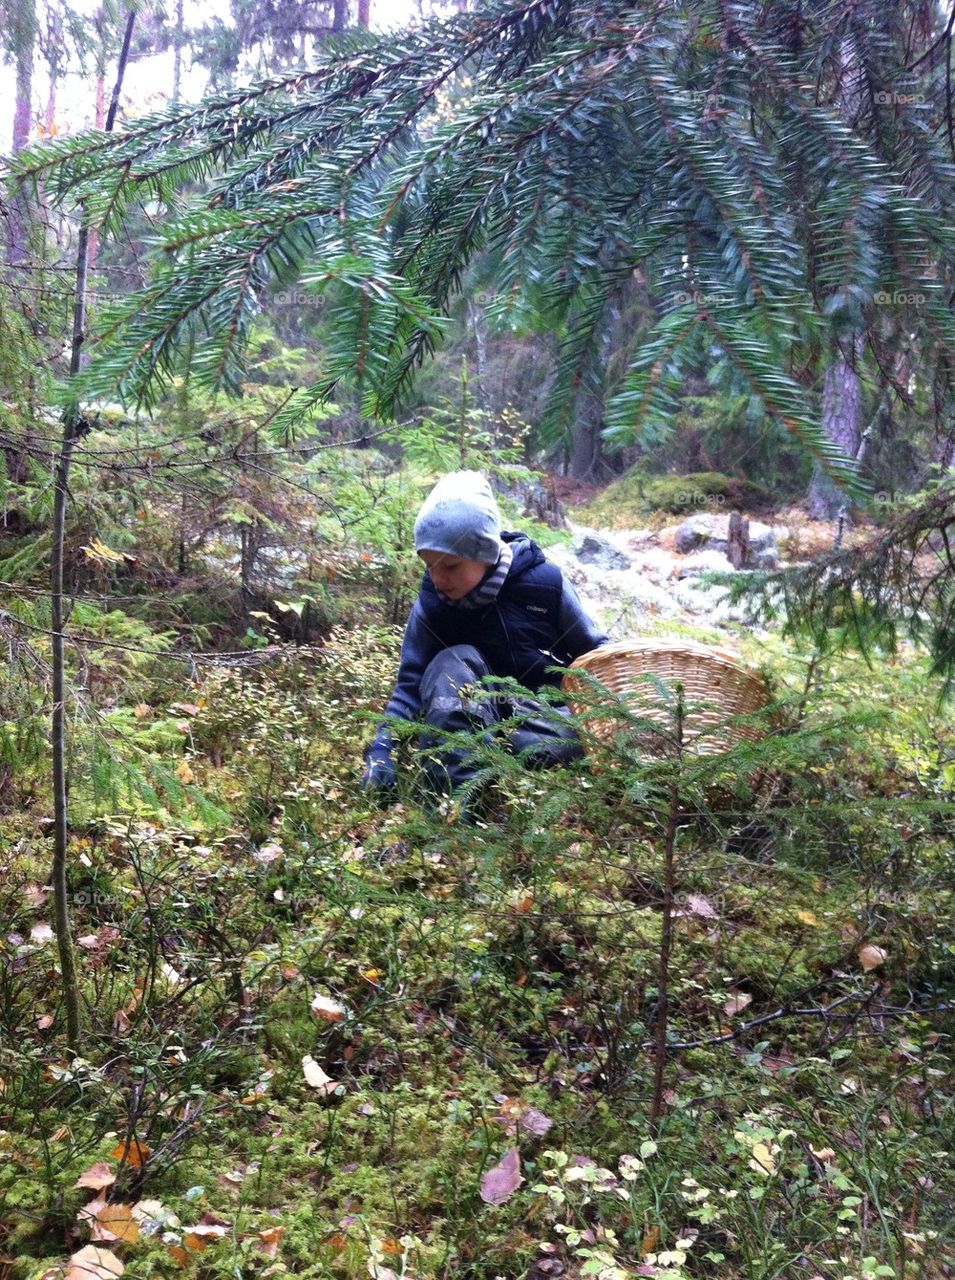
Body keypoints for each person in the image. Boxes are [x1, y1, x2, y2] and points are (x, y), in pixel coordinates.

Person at [360, 470, 610, 814]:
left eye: (450, 565)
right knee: (452, 662)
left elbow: (597, 656)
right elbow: (409, 686)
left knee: (555, 739)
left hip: (541, 716)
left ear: (486, 552)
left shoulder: (544, 585)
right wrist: (381, 751)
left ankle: (491, 762)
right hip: (470, 716)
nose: (437, 578)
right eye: (429, 565)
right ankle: (454, 809)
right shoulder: (432, 606)